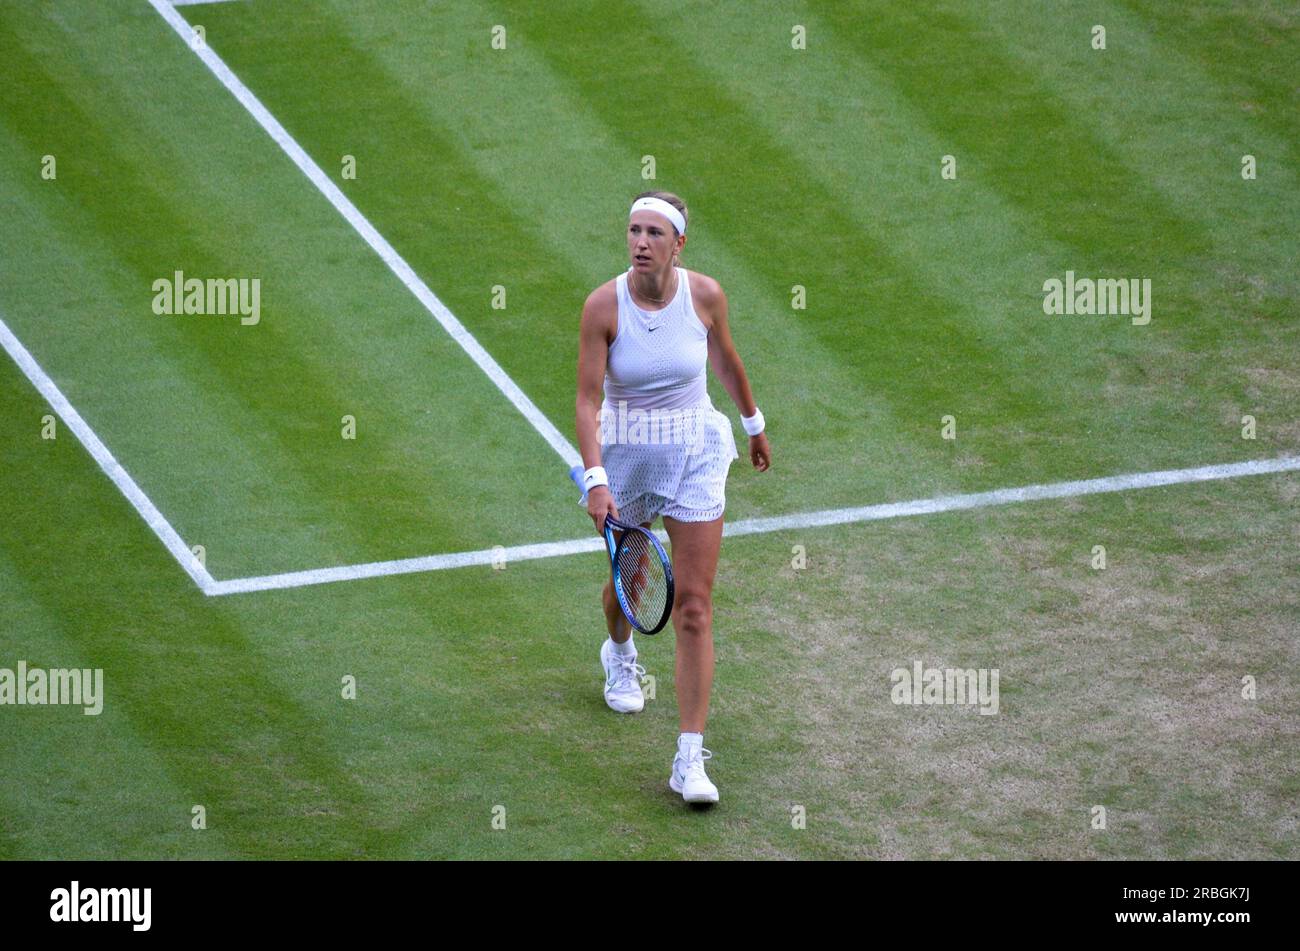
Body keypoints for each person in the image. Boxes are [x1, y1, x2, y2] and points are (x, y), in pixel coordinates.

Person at [574, 191, 771, 804]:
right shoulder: (603, 306)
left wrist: (754, 422)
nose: (640, 242)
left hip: (694, 451)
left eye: (654, 232)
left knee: (693, 606)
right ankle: (620, 650)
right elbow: (586, 400)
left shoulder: (705, 296)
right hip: (628, 456)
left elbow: (726, 360)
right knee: (626, 592)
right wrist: (596, 477)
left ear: (678, 243)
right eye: (634, 230)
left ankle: (689, 760)